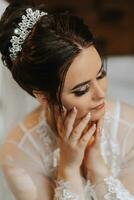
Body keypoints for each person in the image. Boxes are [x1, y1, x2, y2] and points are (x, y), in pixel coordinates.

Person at [0, 2, 134, 200]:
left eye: (100, 74)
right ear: (43, 96)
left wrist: (96, 164)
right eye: (81, 90)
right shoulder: (18, 155)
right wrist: (68, 170)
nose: (100, 94)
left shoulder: (129, 127)